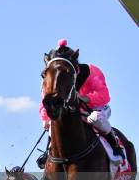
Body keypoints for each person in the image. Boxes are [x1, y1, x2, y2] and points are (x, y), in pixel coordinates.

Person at [37, 39, 124, 168]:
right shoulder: (49, 79)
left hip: (94, 108)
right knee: (52, 124)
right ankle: (48, 152)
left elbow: (104, 95)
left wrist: (82, 98)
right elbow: (44, 103)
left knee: (95, 118)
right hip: (71, 110)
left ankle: (116, 148)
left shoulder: (90, 71)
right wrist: (46, 118)